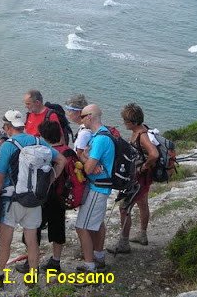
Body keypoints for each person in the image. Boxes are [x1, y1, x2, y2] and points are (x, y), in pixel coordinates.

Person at [0, 110, 66, 291]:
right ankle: (33, 276)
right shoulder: (38, 141)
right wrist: (49, 181)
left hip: (11, 200)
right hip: (35, 199)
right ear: (22, 125)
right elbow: (61, 160)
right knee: (32, 239)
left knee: (5, 241)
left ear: (7, 127)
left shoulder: (8, 145)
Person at [15, 119, 68, 274]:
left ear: (44, 137)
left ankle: (30, 263)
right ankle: (56, 261)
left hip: (44, 197)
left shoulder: (44, 153)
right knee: (58, 228)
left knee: (33, 230)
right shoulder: (68, 151)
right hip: (62, 197)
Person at [110, 103, 159, 254]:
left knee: (124, 207)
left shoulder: (141, 135)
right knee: (143, 203)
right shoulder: (142, 129)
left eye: (125, 121)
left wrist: (143, 167)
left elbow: (154, 154)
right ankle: (142, 235)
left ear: (132, 122)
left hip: (138, 178)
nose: (124, 123)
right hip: (144, 178)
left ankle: (124, 243)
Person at [74, 104, 114, 273]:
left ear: (90, 117)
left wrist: (86, 161)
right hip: (101, 188)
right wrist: (87, 159)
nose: (81, 120)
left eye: (82, 117)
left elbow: (88, 168)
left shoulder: (99, 139)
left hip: (97, 188)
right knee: (97, 224)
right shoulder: (103, 134)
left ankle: (89, 266)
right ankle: (98, 256)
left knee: (81, 226)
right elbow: (84, 156)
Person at [64, 93, 93, 159]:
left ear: (78, 112)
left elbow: (78, 157)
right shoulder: (86, 127)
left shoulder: (84, 133)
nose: (67, 113)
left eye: (69, 110)